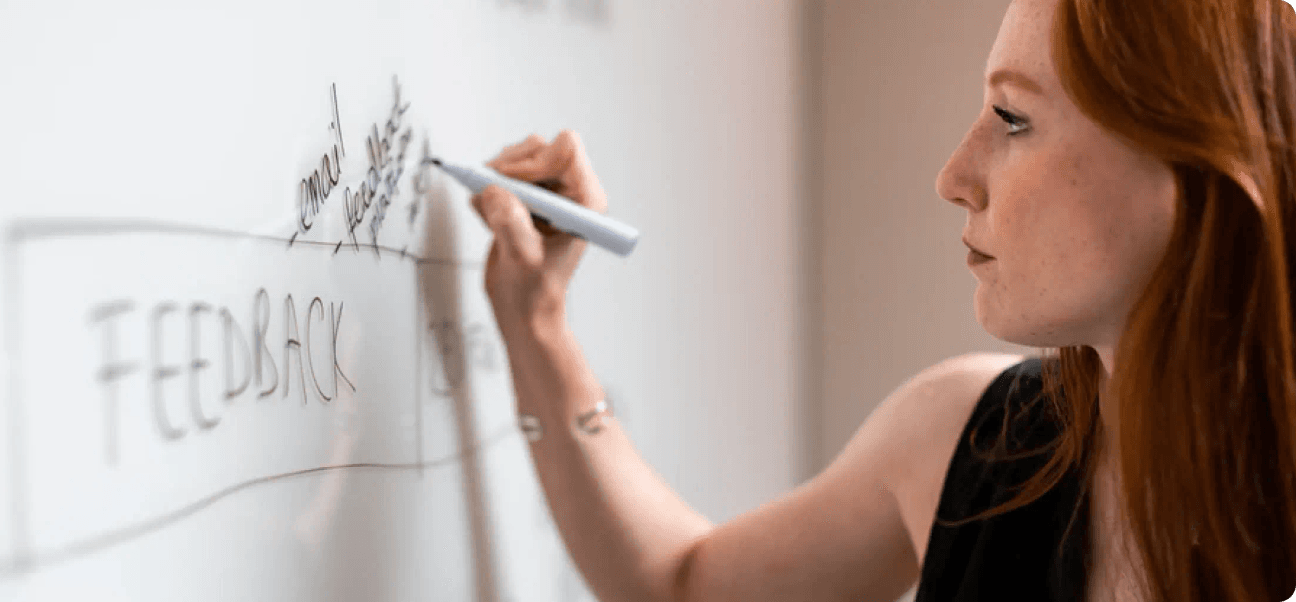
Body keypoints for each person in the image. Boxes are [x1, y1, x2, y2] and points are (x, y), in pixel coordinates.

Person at [466, 0, 1296, 599]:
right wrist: (538, 326)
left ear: (1195, 167)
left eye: (1012, 117)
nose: (953, 177)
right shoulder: (969, 442)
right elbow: (681, 584)